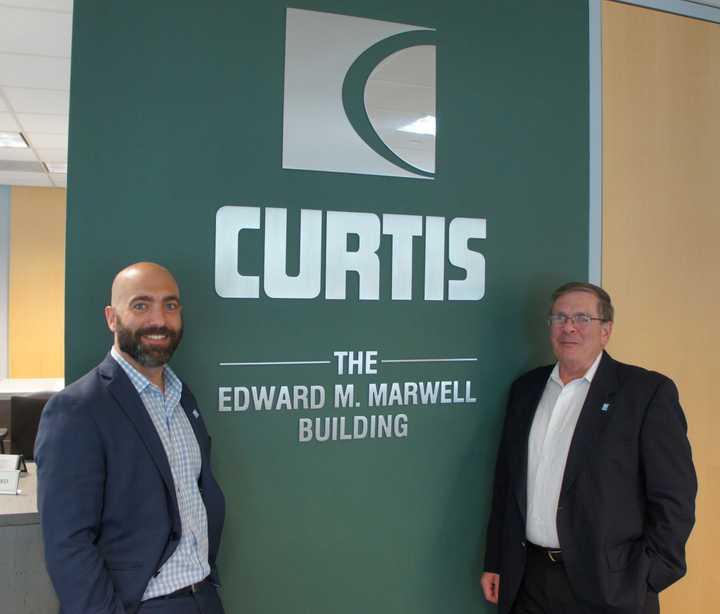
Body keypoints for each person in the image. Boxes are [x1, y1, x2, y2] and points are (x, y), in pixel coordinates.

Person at [481, 282, 696, 614]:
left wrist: (648, 576)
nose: (569, 327)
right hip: (528, 581)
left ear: (606, 330)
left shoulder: (645, 394)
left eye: (582, 318)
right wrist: (497, 559)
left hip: (609, 587)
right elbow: (507, 484)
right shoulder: (526, 389)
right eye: (560, 318)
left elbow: (674, 497)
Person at [35, 262, 226, 614]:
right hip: (141, 605)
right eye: (141, 305)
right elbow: (68, 545)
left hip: (203, 598)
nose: (159, 320)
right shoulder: (77, 409)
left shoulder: (185, 398)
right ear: (112, 317)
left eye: (170, 305)